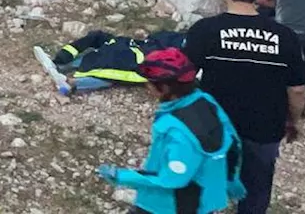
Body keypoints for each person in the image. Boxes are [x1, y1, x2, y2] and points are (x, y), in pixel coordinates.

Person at [183, 0, 305, 214]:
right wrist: (293, 120)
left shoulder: (205, 30)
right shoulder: (285, 36)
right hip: (265, 128)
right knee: (257, 190)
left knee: (200, 185)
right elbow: (296, 91)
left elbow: (182, 78)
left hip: (213, 126)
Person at [95, 48, 245, 214]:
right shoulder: (205, 101)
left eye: (149, 83)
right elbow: (233, 143)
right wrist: (232, 180)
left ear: (165, 88)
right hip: (206, 197)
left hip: (170, 205)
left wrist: (121, 176)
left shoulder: (176, 130)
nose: (146, 87)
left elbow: (172, 179)